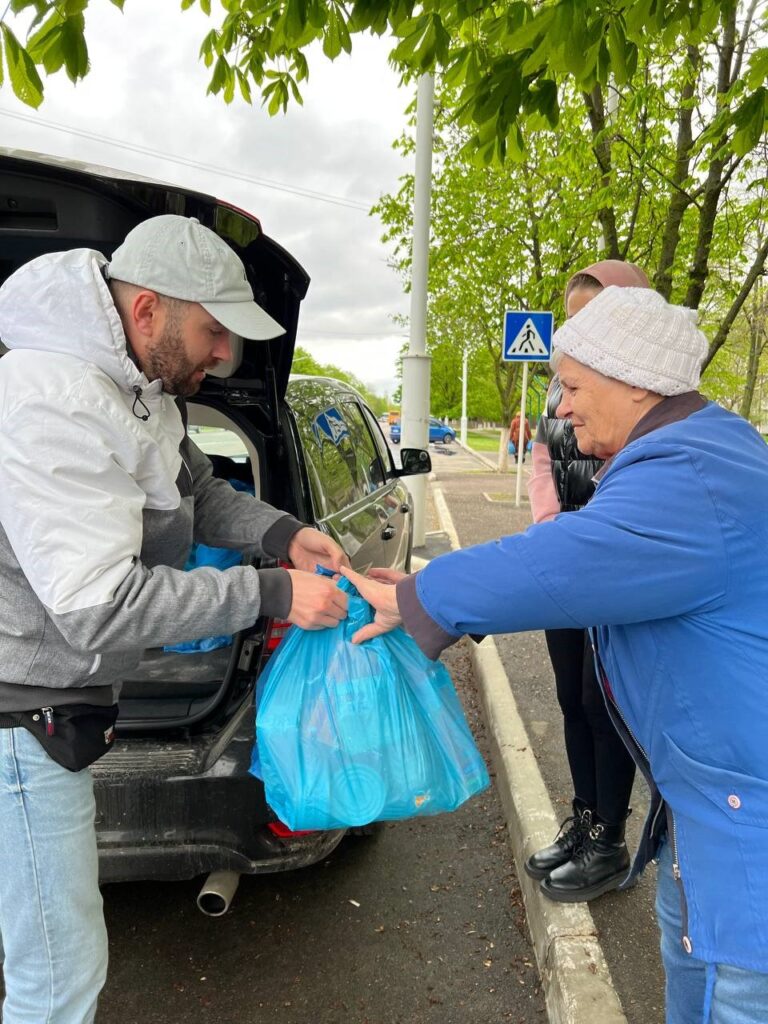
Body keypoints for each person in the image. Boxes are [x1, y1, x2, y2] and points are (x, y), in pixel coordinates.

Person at [343, 285, 768, 1024]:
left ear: (635, 381)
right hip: (706, 816)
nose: (560, 408)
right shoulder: (699, 447)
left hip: (747, 837)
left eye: (571, 386)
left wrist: (418, 600)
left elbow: (565, 561)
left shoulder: (689, 476)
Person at [0, 215, 349, 1024]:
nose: (223, 355)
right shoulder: (54, 402)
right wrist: (272, 594)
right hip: (21, 720)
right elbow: (101, 608)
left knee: (47, 946)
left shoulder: (141, 389)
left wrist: (282, 534)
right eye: (213, 330)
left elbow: (201, 492)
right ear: (148, 309)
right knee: (58, 976)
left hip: (61, 711)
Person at [524, 261, 650, 902]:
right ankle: (584, 822)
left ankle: (611, 842)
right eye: (570, 321)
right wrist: (551, 539)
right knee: (572, 700)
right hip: (564, 564)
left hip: (612, 572)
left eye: (591, 319)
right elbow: (543, 468)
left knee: (607, 708)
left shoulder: (642, 393)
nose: (578, 333)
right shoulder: (559, 392)